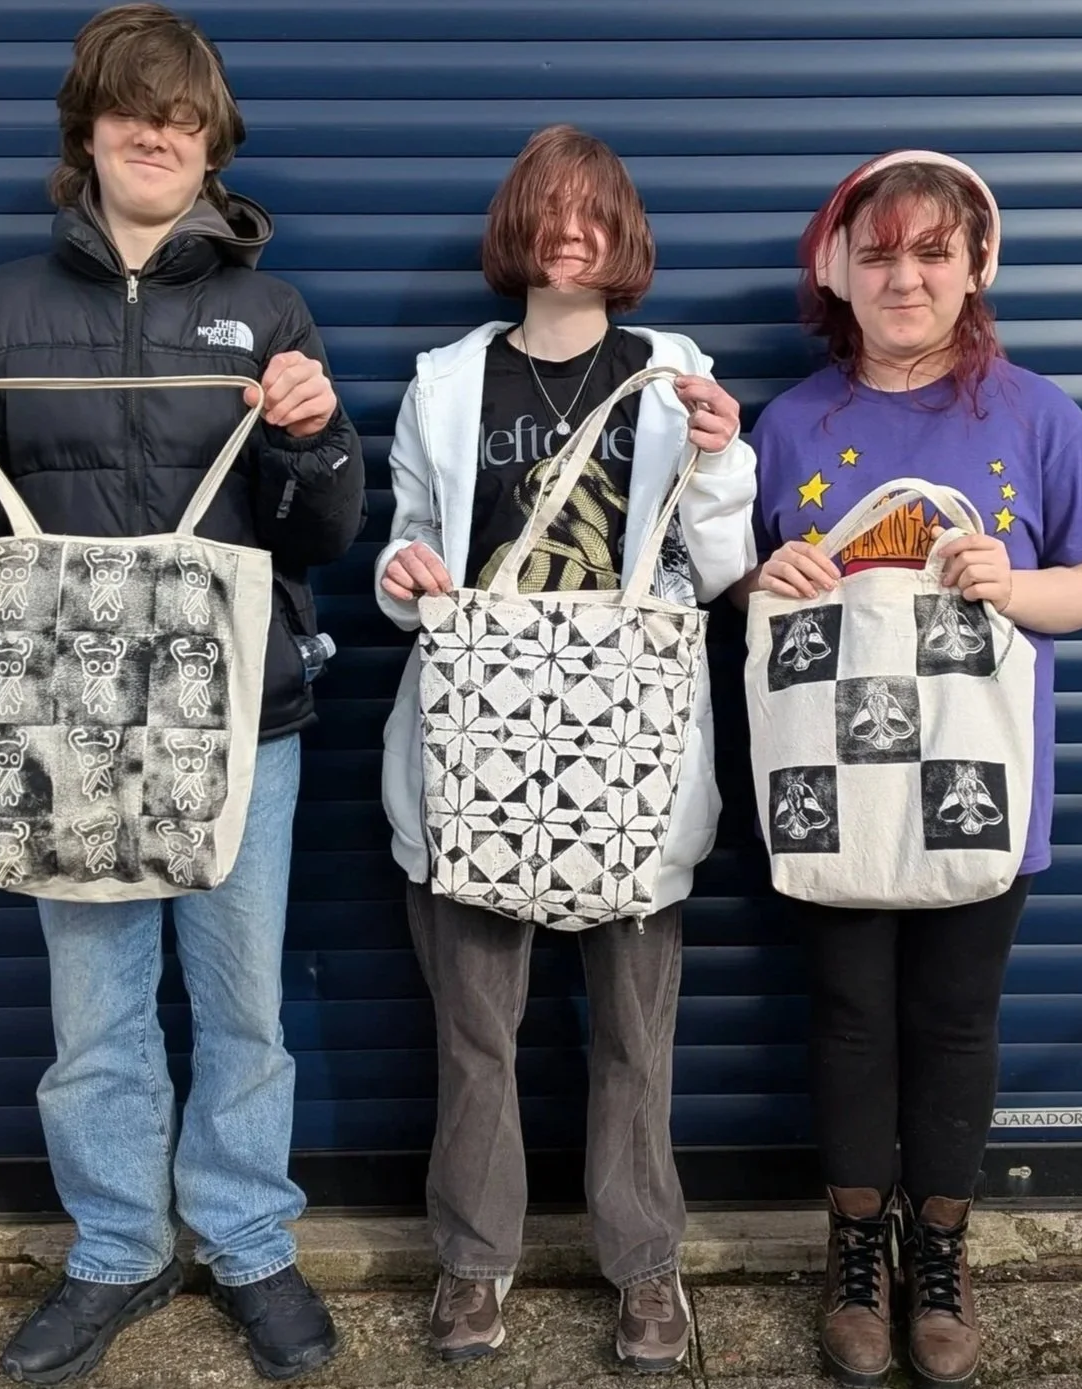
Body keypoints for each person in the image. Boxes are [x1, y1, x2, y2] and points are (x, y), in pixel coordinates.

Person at [0, 6, 364, 1383]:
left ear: (210, 145)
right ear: (86, 129)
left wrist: (319, 442)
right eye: (131, 107)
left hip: (243, 723)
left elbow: (317, 538)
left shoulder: (267, 313)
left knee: (243, 1006)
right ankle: (115, 1251)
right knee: (95, 1012)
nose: (157, 131)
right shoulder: (3, 310)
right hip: (64, 727)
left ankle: (250, 1242)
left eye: (184, 115)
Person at [731, 151, 1082, 1389]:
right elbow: (725, 586)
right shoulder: (790, 422)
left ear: (975, 268)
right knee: (850, 1017)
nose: (904, 276)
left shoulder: (1035, 415)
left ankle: (942, 1252)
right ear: (836, 271)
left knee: (957, 1022)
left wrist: (1017, 587)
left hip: (980, 789)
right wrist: (765, 577)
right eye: (879, 253)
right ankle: (855, 1248)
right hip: (832, 791)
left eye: (931, 253)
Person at [374, 124, 756, 1373]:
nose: (573, 229)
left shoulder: (673, 373)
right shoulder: (447, 383)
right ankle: (473, 1266)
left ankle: (647, 1270)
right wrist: (406, 572)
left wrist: (716, 461)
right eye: (551, 208)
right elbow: (407, 550)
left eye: (597, 210)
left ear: (626, 231)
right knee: (476, 1033)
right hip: (475, 748)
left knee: (634, 1037)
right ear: (520, 228)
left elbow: (725, 571)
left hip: (630, 758)